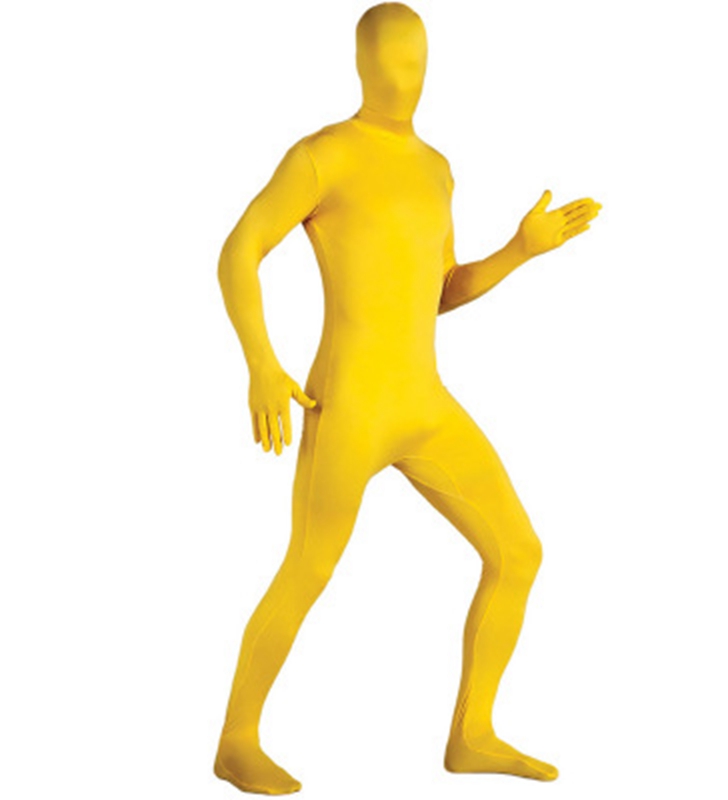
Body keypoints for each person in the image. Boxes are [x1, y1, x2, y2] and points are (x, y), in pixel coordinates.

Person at [214, 2, 601, 794]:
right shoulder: (323, 155)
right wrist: (261, 363)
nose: (406, 75)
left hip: (423, 403)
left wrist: (520, 251)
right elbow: (239, 249)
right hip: (347, 406)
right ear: (362, 64)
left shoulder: (435, 167)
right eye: (391, 59)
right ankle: (236, 741)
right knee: (309, 568)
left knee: (517, 553)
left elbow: (441, 292)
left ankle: (472, 734)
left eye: (418, 59)